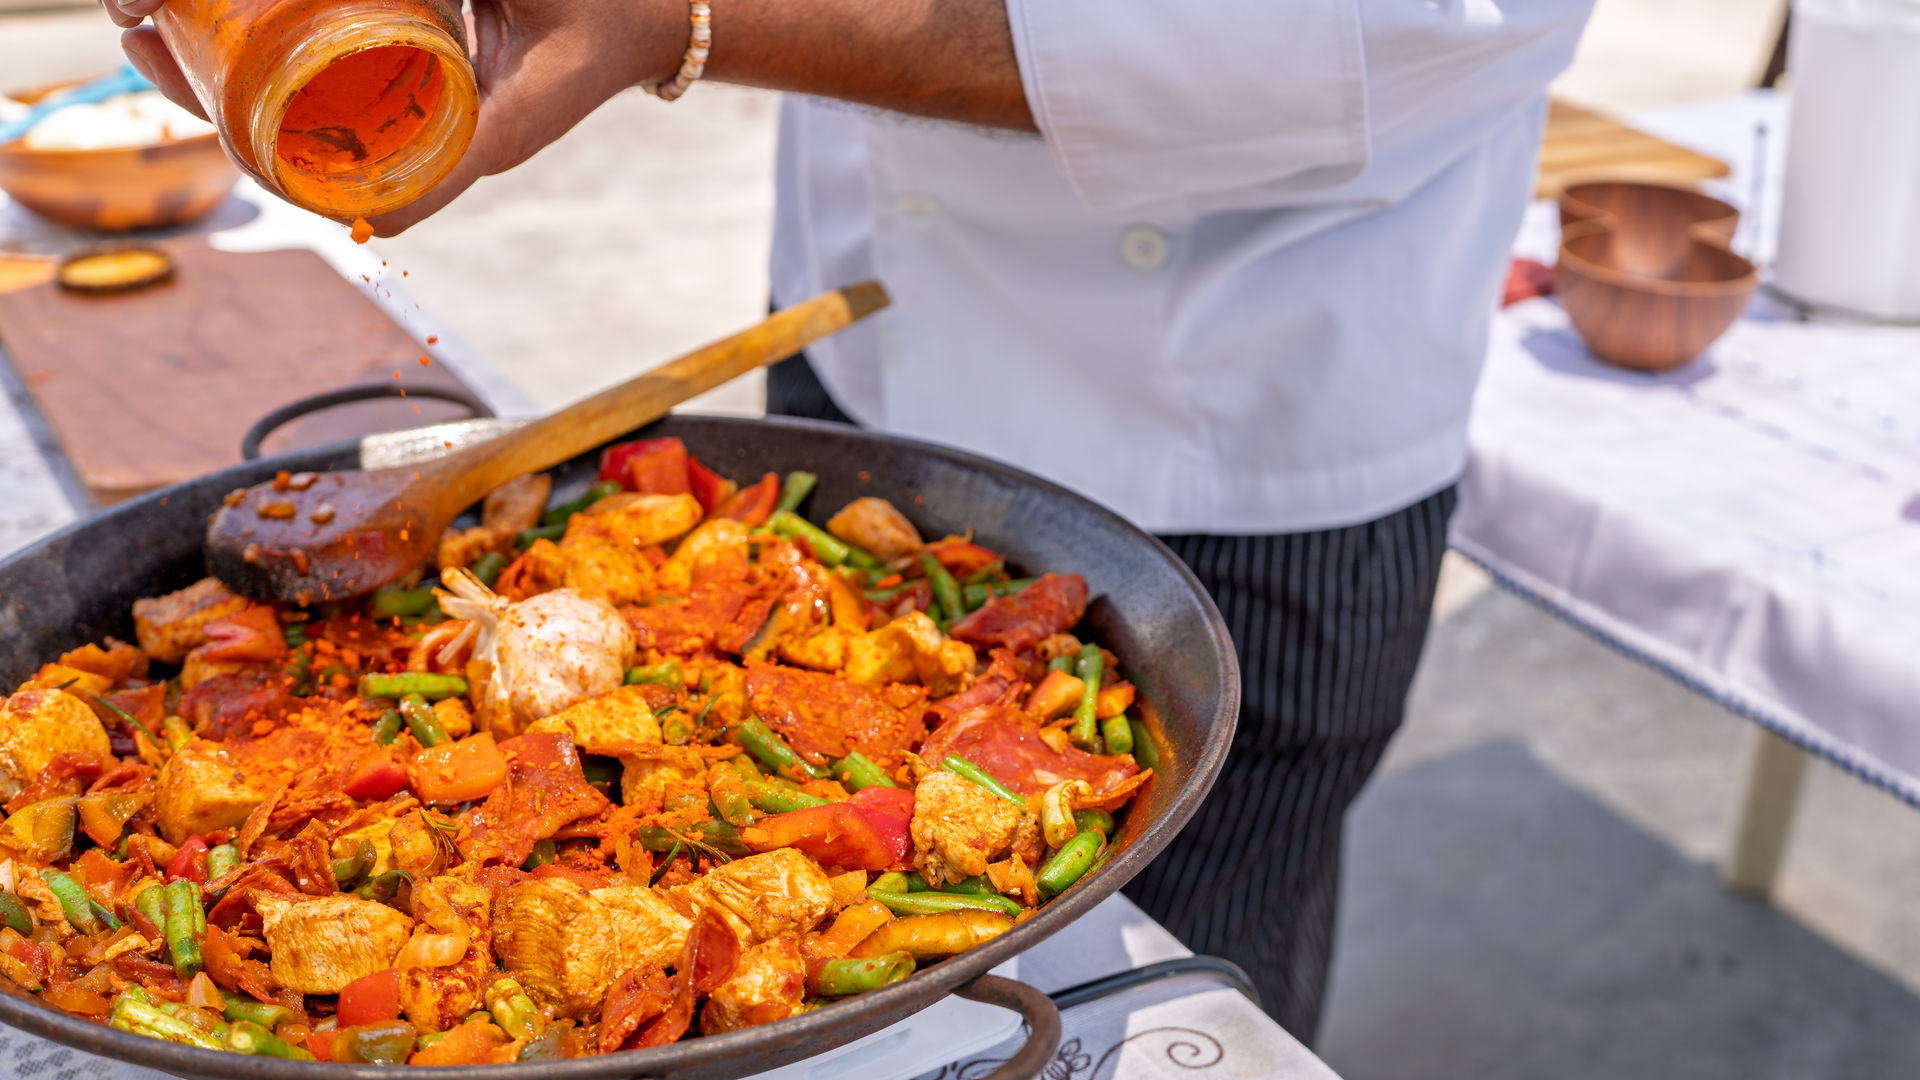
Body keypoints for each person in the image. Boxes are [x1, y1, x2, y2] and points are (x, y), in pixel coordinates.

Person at [104, 0, 1595, 1041]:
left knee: (1171, 1010)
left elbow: (1348, 32)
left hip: (1229, 430)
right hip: (858, 332)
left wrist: (682, 17)